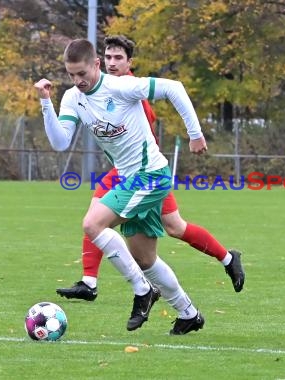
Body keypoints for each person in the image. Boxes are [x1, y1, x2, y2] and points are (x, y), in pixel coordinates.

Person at [34, 38, 207, 335]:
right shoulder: (74, 97)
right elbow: (60, 142)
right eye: (71, 75)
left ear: (96, 65)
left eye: (82, 74)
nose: (77, 81)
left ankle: (143, 290)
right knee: (145, 258)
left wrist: (195, 133)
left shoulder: (121, 87)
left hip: (151, 174)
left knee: (92, 224)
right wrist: (45, 103)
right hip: (131, 179)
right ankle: (188, 313)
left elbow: (174, 87)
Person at [55, 35, 245, 304]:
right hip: (124, 171)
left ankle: (224, 259)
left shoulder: (130, 90)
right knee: (101, 217)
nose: (112, 63)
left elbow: (148, 131)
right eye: (108, 57)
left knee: (172, 227)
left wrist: (194, 134)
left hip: (146, 172)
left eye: (118, 58)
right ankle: (90, 281)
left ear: (129, 62)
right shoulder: (84, 93)